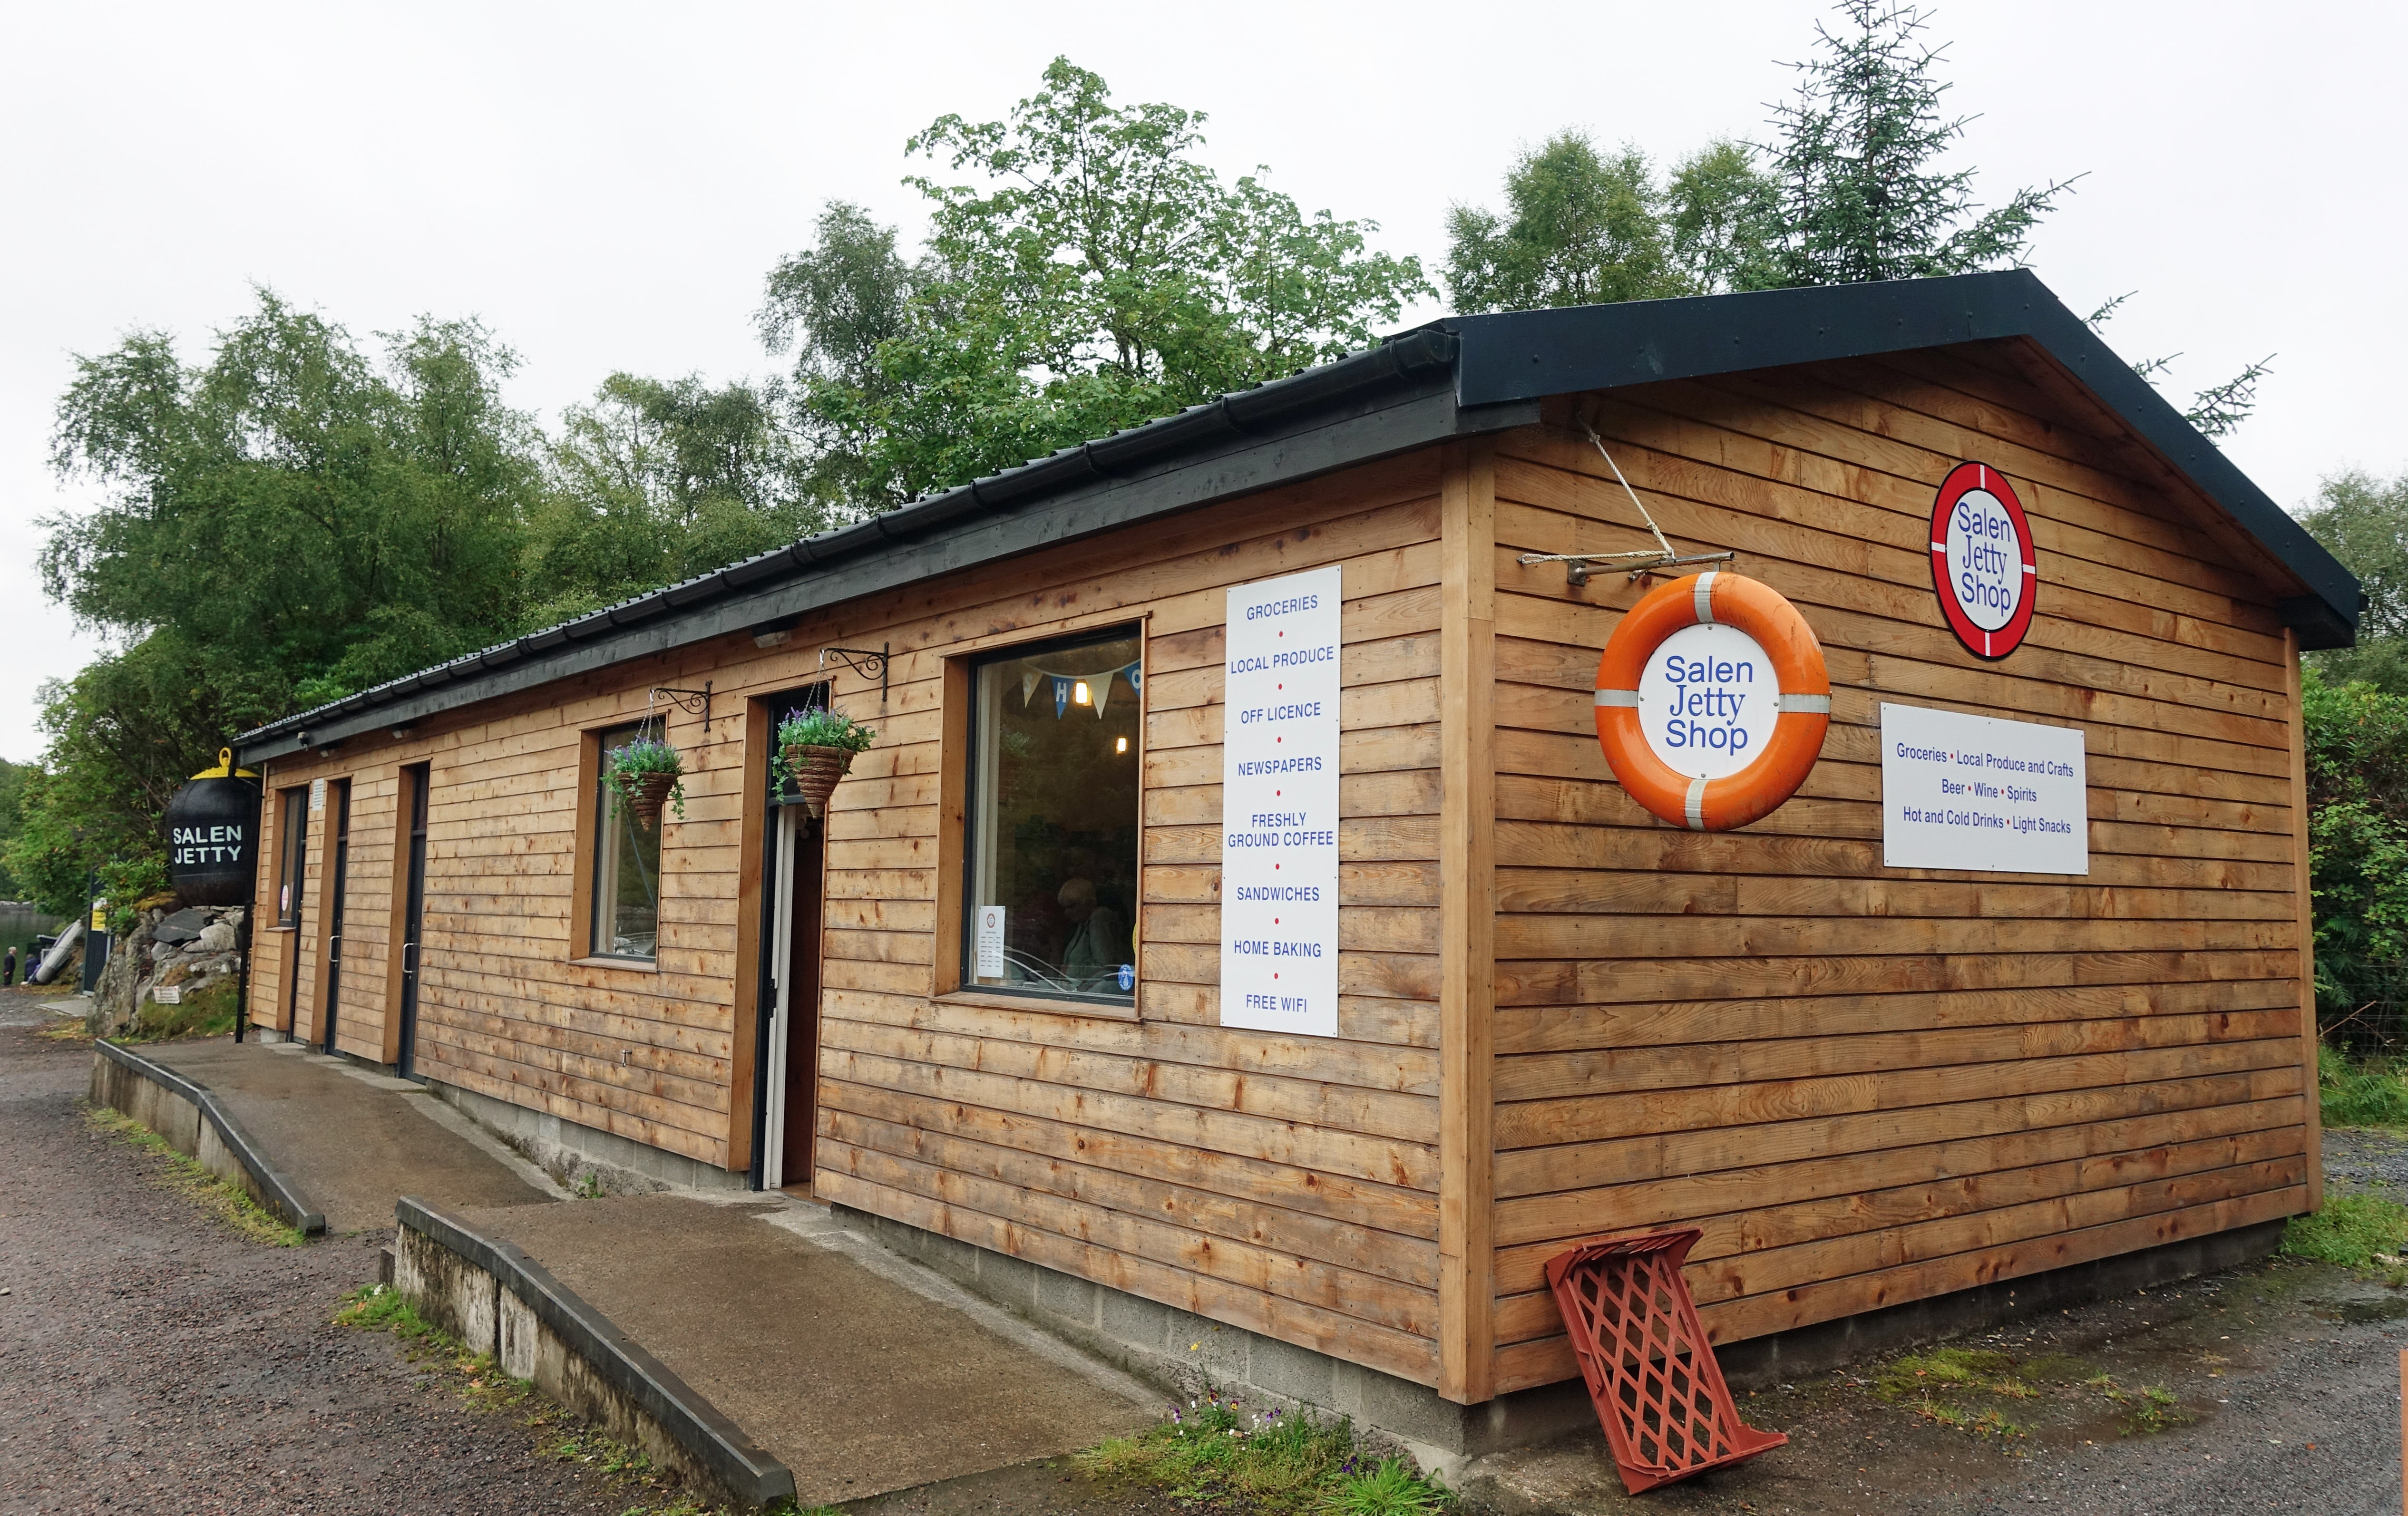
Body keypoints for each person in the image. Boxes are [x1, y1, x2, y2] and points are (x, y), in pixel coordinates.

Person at [1055, 876, 1129, 994]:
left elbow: (1106, 966)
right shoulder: (1085, 922)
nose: (1067, 913)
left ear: (1087, 902)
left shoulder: (1099, 920)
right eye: (1066, 908)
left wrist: (1071, 971)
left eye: (1072, 906)